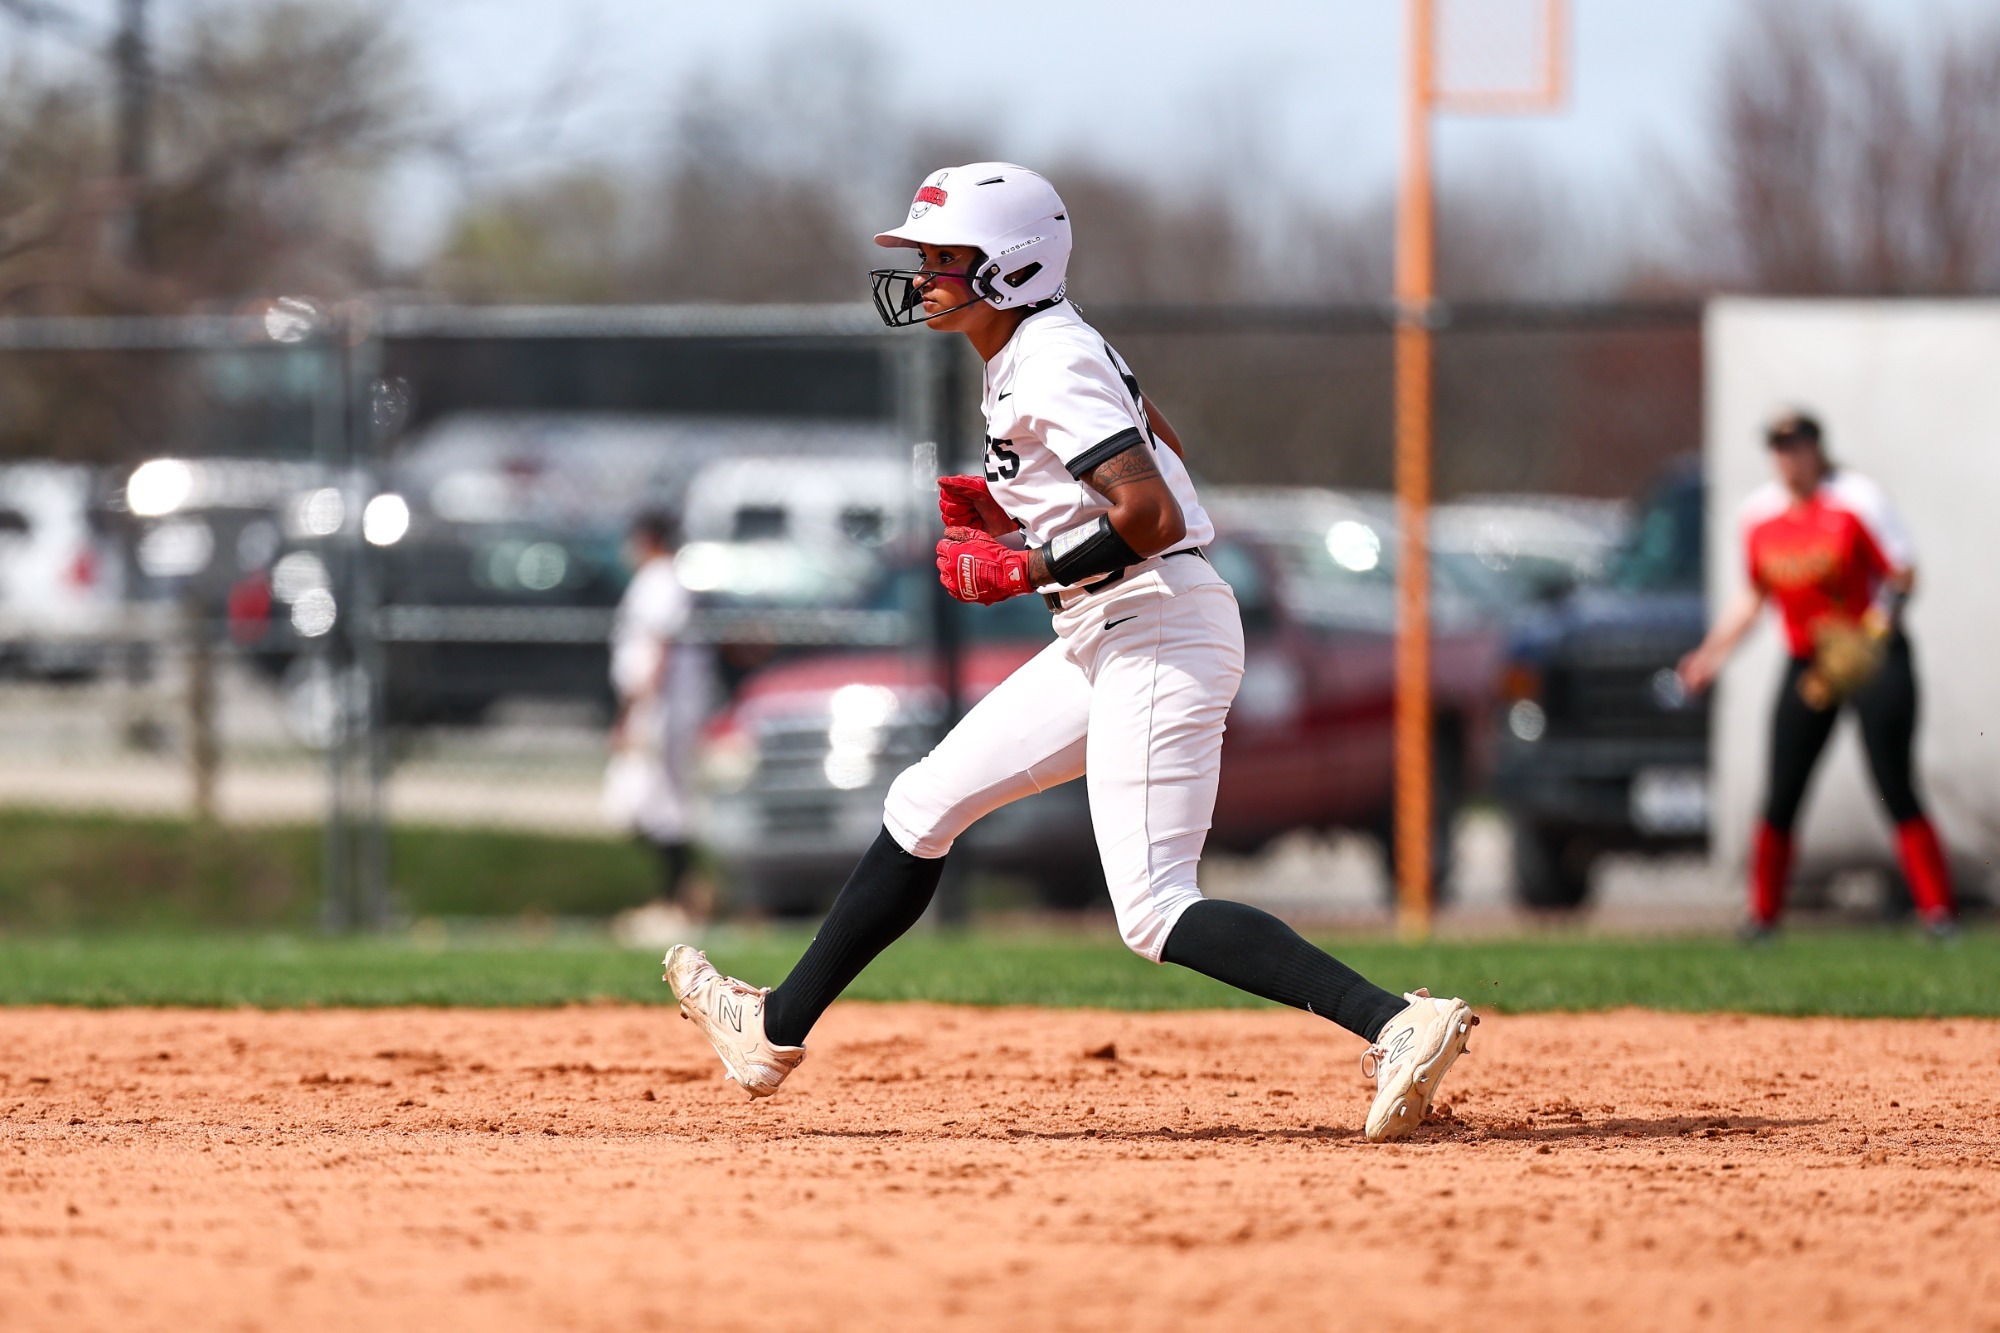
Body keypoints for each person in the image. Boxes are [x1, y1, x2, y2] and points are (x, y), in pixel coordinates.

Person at [662, 163, 1475, 1142]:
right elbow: (1148, 448)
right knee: (923, 802)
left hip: (1155, 624)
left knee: (1153, 908)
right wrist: (1020, 514)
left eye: (942, 258)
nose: (922, 275)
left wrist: (1020, 565)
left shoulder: (1047, 355)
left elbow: (1151, 509)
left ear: (1009, 267)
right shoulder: (1033, 351)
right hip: (1109, 627)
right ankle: (770, 1028)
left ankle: (1395, 1021)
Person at [1679, 411, 1957, 940]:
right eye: (1779, 448)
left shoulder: (1856, 499)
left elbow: (1903, 575)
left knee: (1892, 780)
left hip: (1872, 655)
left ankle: (1938, 913)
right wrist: (1709, 655)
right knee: (1784, 785)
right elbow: (1754, 596)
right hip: (1810, 661)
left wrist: (1873, 635)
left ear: (1817, 450)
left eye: (1797, 446)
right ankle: (1761, 917)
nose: (1788, 457)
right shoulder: (1760, 514)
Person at [607, 509, 709, 942]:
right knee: (642, 804)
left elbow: (659, 647)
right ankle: (682, 894)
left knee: (655, 801)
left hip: (661, 708)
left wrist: (634, 711)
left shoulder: (662, 580)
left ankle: (677, 899)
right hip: (659, 706)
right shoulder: (659, 580)